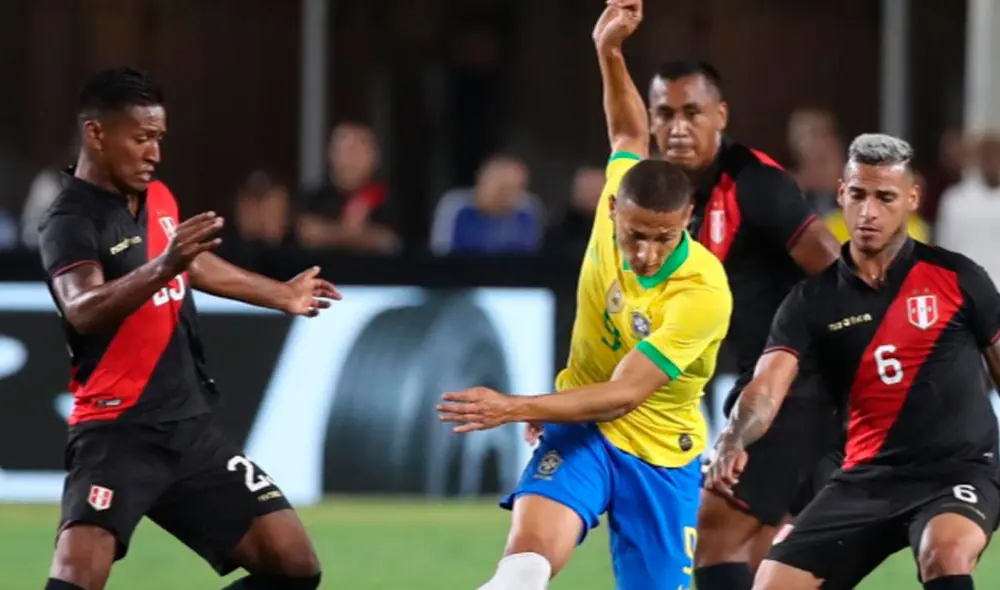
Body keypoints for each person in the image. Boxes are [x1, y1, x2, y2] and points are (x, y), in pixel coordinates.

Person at [433, 7, 733, 589]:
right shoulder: (613, 200)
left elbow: (623, 394)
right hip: (584, 438)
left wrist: (517, 407)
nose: (647, 253)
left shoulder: (702, 291)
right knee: (522, 571)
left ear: (687, 220)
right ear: (613, 207)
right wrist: (609, 51)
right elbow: (628, 133)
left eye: (664, 238)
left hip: (660, 457)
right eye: (635, 235)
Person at [38, 68, 339, 590]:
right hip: (118, 432)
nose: (154, 153)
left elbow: (191, 263)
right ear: (96, 133)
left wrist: (280, 294)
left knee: (293, 567)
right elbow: (82, 307)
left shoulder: (157, 197)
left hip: (189, 430)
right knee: (76, 578)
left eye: (158, 138)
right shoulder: (70, 220)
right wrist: (164, 265)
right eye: (141, 138)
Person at [597, 1, 843, 586]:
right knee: (761, 551)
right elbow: (621, 134)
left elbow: (836, 275)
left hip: (791, 384)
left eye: (693, 113)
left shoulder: (756, 185)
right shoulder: (661, 194)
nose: (678, 127)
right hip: (758, 380)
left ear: (721, 115)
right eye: (665, 114)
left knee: (713, 532)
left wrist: (834, 375)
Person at [707, 133, 1000, 590]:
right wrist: (732, 437)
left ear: (911, 200)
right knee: (772, 583)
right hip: (866, 477)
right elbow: (766, 388)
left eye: (885, 198)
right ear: (842, 192)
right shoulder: (810, 301)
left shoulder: (958, 277)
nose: (869, 212)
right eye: (859, 195)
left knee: (944, 553)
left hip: (958, 469)